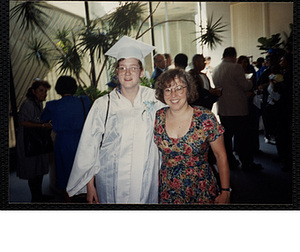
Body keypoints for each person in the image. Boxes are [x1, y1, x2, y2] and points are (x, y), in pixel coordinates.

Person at [67, 36, 164, 204]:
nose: (127, 73)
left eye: (133, 68)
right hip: (112, 179)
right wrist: (90, 185)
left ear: (141, 72)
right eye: (122, 68)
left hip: (146, 178)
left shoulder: (155, 99)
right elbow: (89, 146)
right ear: (116, 72)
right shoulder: (103, 105)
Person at [154, 68, 230, 204]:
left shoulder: (205, 117)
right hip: (168, 189)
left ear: (188, 90)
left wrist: (225, 191)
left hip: (200, 187)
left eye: (179, 88)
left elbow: (220, 156)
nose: (173, 94)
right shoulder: (158, 117)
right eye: (168, 89)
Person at [40, 76, 91, 202]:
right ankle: (86, 198)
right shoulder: (84, 101)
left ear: (58, 89)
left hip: (63, 142)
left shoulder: (52, 105)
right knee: (84, 171)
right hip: (82, 140)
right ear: (74, 87)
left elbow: (43, 118)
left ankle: (69, 203)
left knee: (65, 173)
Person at [213, 47, 263, 172]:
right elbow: (245, 85)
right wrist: (250, 81)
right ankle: (247, 163)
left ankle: (230, 161)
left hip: (224, 108)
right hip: (238, 109)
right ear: (233, 56)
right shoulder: (236, 67)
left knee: (227, 138)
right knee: (243, 138)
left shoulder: (216, 69)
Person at [16, 79, 53, 202]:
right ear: (33, 91)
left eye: (45, 91)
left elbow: (36, 120)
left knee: (39, 169)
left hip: (37, 142)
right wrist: (43, 126)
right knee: (32, 170)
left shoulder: (39, 103)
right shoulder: (28, 104)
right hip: (29, 143)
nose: (44, 94)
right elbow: (23, 122)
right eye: (41, 91)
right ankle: (35, 198)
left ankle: (39, 195)